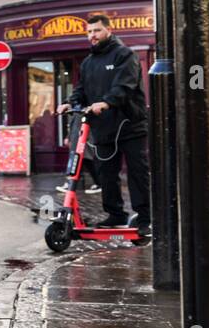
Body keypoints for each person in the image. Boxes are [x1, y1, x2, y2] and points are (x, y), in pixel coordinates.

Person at [56, 14, 151, 234]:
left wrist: (106, 102)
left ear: (108, 30)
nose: (92, 36)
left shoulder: (125, 55)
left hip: (130, 125)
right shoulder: (88, 62)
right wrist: (69, 103)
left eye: (97, 31)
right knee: (107, 172)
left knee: (138, 172)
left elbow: (124, 86)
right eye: (89, 32)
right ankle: (115, 214)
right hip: (103, 127)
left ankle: (145, 217)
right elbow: (81, 89)